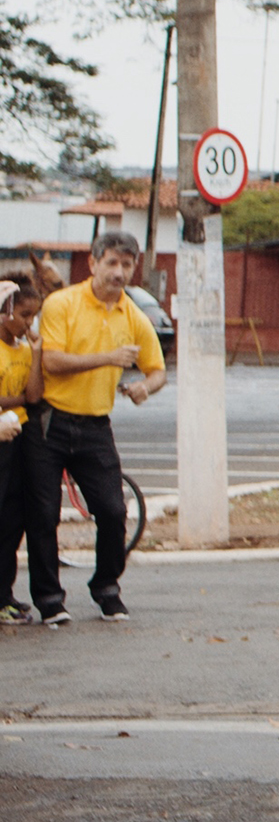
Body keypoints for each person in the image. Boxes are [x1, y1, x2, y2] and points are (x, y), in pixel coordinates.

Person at [34, 231, 165, 622]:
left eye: (126, 265)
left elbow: (157, 371)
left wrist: (145, 387)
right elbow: (52, 362)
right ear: (92, 264)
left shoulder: (133, 315)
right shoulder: (62, 303)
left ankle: (107, 586)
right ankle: (49, 599)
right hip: (51, 420)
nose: (119, 272)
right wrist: (108, 357)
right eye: (111, 262)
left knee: (111, 510)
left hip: (95, 425)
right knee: (42, 514)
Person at [0, 276, 49, 619]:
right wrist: (17, 402)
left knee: (13, 521)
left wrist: (36, 355)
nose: (29, 322)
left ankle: (5, 592)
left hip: (20, 440)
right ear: (5, 313)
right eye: (24, 314)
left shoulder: (21, 348)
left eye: (34, 315)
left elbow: (34, 396)